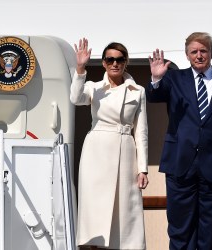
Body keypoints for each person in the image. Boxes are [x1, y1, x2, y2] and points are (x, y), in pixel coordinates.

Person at [146, 32, 212, 250]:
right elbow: (154, 97)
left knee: (209, 230)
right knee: (179, 228)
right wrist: (156, 79)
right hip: (179, 165)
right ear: (187, 55)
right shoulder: (173, 79)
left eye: (203, 51)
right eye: (194, 52)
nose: (199, 56)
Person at [70, 38, 149, 250]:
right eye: (110, 59)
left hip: (125, 150)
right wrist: (80, 68)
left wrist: (143, 169)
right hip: (97, 150)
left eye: (120, 59)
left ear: (125, 62)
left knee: (126, 208)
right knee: (95, 207)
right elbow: (76, 98)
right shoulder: (93, 87)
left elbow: (141, 131)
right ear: (104, 63)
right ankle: (93, 244)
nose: (115, 63)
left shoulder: (137, 90)